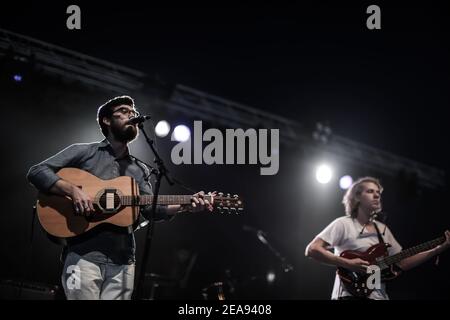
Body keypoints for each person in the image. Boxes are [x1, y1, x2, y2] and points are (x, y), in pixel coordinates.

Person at [26, 95, 213, 300]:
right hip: (83, 254)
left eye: (133, 112)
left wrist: (186, 206)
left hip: (123, 260)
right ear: (107, 120)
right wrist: (73, 191)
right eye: (123, 111)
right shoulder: (84, 152)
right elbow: (37, 172)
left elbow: (151, 210)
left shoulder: (139, 169)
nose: (131, 115)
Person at [305, 176, 450, 300]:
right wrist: (348, 263)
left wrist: (436, 250)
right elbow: (312, 249)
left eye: (378, 192)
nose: (377, 195)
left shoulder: (382, 229)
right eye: (370, 191)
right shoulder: (343, 223)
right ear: (357, 197)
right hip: (348, 295)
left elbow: (402, 262)